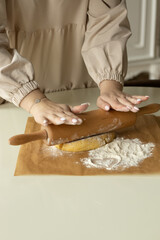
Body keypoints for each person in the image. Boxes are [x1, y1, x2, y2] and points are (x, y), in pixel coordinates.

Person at [0, 0, 149, 127]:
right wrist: (32, 100)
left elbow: (107, 22)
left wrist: (110, 86)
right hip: (11, 95)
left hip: (80, 89)